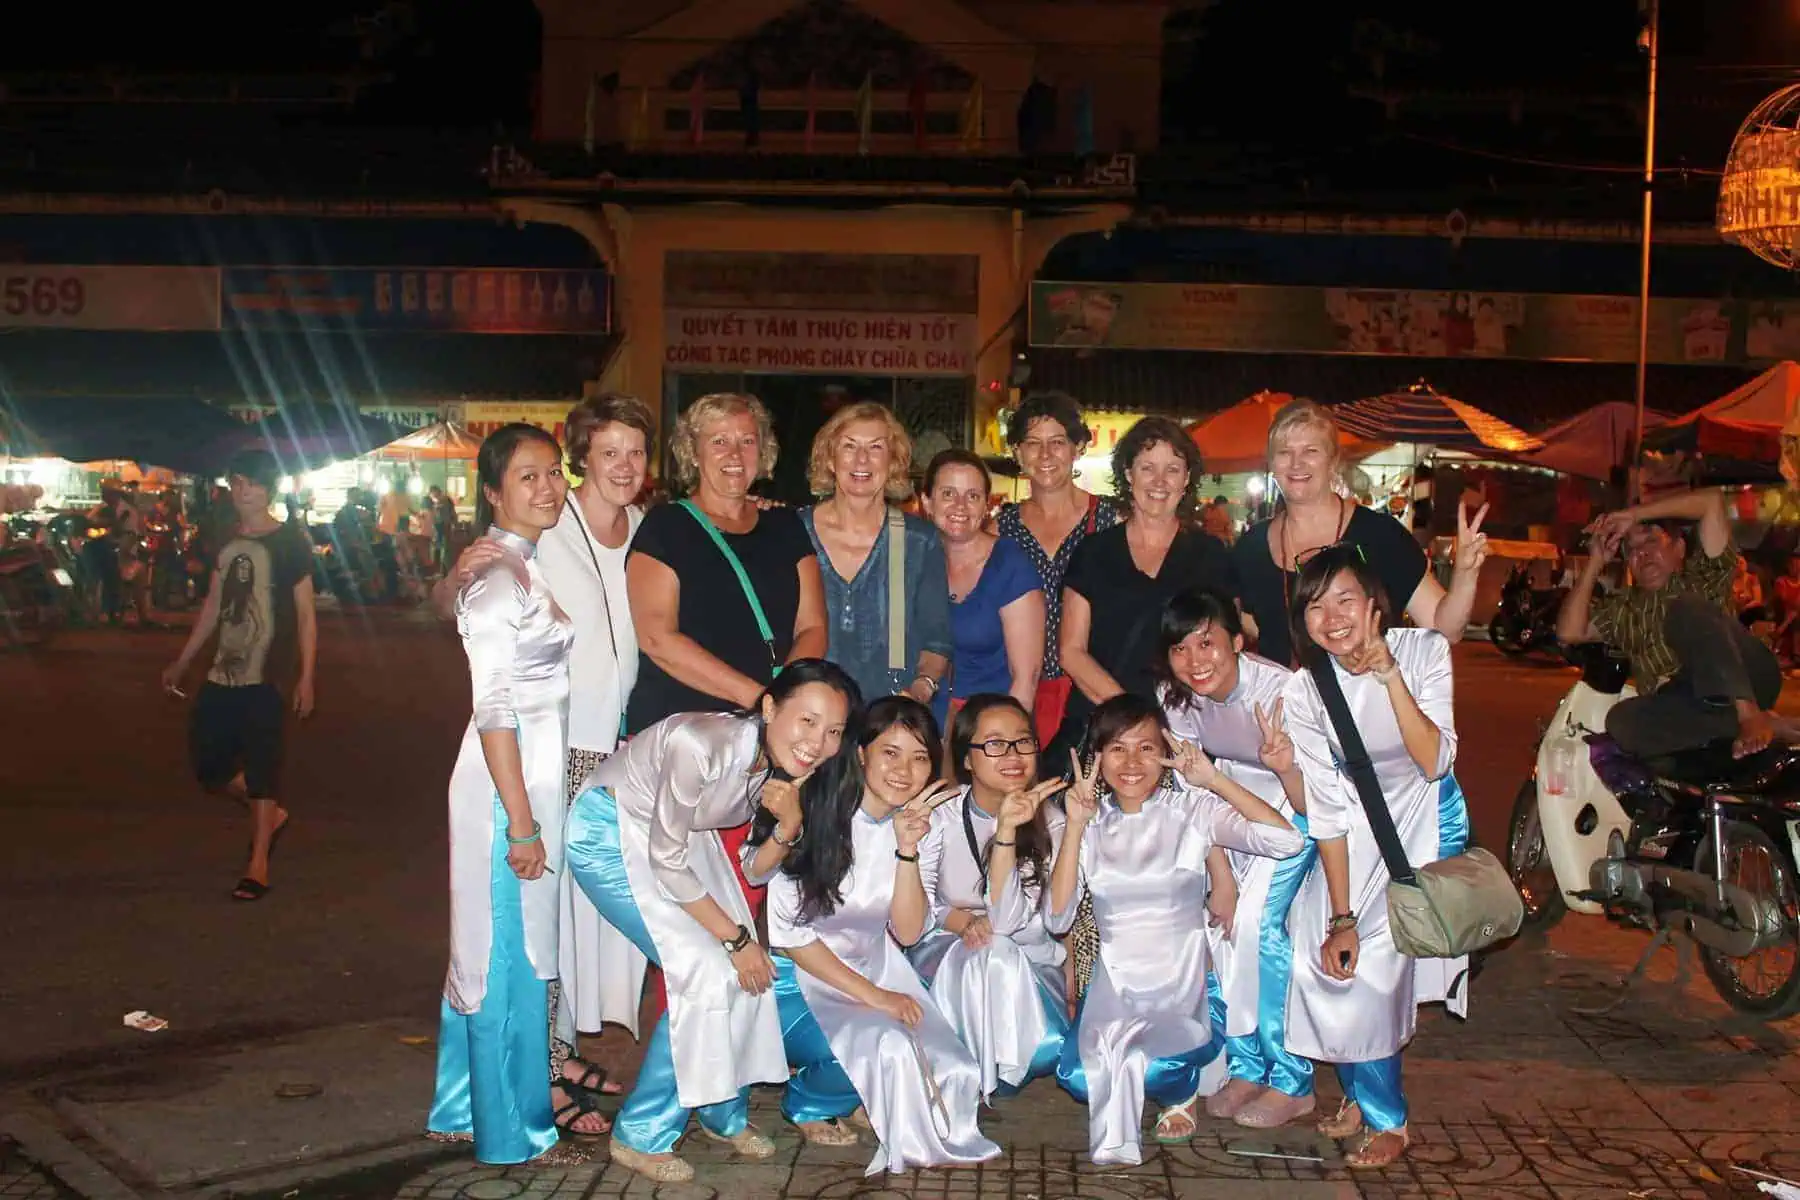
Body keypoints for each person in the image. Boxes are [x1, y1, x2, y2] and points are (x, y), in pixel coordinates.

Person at [561, 660, 858, 1183]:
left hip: (676, 841)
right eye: (807, 720)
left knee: (751, 975)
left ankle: (723, 1112)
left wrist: (788, 825)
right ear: (769, 706)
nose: (819, 741)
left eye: (833, 730)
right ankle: (641, 1133)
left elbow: (751, 867)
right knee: (704, 969)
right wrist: (736, 937)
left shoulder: (780, 770)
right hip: (609, 829)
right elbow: (666, 861)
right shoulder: (701, 744)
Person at [1046, 694, 1303, 1166]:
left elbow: (1286, 840)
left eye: (1146, 747)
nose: (1132, 762)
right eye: (1117, 748)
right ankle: (1156, 1082)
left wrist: (1213, 779)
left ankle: (1179, 1091)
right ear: (1096, 756)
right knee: (1079, 1077)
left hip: (1184, 988)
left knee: (1156, 1062)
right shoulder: (1082, 819)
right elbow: (1057, 918)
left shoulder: (1191, 810)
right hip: (1116, 989)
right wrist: (1077, 829)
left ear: (1164, 751)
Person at [1280, 545, 1470, 1169]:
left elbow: (1434, 761)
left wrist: (1389, 676)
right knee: (1318, 953)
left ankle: (1390, 1118)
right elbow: (1328, 808)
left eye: (1344, 599)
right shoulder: (1306, 689)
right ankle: (1362, 1092)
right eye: (1314, 605)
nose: (1331, 617)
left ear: (1373, 605)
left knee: (1373, 972)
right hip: (1353, 836)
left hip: (1419, 828)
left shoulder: (1423, 652)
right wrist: (1340, 915)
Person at [766, 696, 1004, 1175]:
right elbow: (790, 936)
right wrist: (877, 998)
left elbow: (910, 930)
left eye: (919, 758)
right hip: (797, 979)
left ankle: (858, 1091)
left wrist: (908, 850)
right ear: (861, 754)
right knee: (890, 1049)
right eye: (890, 753)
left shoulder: (918, 825)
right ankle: (806, 1100)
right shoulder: (816, 814)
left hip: (877, 966)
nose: (905, 770)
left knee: (953, 1070)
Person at [423, 424, 572, 1164]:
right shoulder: (497, 582)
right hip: (503, 791)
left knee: (509, 951)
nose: (548, 488)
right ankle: (510, 1132)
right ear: (492, 492)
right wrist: (520, 823)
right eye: (527, 477)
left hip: (528, 784)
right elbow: (494, 711)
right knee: (502, 958)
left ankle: (466, 1106)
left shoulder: (523, 565)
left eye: (554, 472)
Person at [627, 392, 828, 923]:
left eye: (747, 440)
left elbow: (812, 627)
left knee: (760, 895)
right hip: (685, 742)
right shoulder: (666, 528)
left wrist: (779, 707)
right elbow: (657, 638)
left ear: (765, 453)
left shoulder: (785, 527)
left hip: (765, 750)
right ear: (691, 451)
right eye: (719, 440)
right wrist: (762, 701)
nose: (734, 453)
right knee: (688, 912)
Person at [1153, 589, 1313, 1129]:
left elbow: (1314, 798)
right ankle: (1246, 1066)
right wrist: (1219, 873)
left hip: (1295, 816)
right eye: (1180, 648)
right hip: (1227, 810)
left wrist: (1280, 767)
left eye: (1208, 643)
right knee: (1218, 927)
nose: (1195, 661)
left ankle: (1292, 1079)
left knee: (1258, 929)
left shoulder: (1283, 691)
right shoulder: (1174, 697)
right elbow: (1192, 790)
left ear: (1237, 642)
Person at [161, 450, 317, 901]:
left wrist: (307, 676)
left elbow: (307, 615)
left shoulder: (289, 543)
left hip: (268, 672)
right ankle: (271, 815)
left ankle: (258, 864)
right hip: (222, 670)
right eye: (236, 481)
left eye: (249, 482)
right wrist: (183, 660)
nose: (241, 489)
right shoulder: (226, 540)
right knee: (208, 766)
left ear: (268, 488)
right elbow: (213, 605)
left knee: (263, 763)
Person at [1233, 399, 1488, 668]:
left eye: (1310, 451)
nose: (1297, 464)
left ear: (1332, 462)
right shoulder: (1251, 548)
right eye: (1284, 452)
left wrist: (1465, 576)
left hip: (1367, 705)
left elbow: (1444, 630)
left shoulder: (1381, 535)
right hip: (1284, 707)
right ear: (1271, 463)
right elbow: (1251, 628)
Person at [908, 694, 1072, 1100]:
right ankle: (967, 1072)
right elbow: (918, 905)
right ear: (967, 758)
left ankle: (976, 1071)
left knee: (996, 947)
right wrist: (959, 919)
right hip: (945, 957)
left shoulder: (1054, 821)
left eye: (1023, 741)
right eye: (995, 744)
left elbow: (1014, 922)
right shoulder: (941, 815)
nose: (1013, 755)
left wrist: (1006, 832)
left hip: (1028, 966)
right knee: (985, 951)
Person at [1556, 487, 1788, 761]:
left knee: (1685, 608)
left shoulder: (1703, 577)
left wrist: (1633, 515)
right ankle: (1749, 723)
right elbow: (1569, 632)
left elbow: (1712, 501)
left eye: (1651, 541)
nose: (1642, 553)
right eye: (1631, 549)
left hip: (1746, 677)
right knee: (1620, 721)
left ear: (1679, 548)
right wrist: (1595, 561)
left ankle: (1748, 713)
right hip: (1691, 705)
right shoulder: (1622, 609)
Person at [800, 401, 952, 705]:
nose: (861, 459)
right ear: (830, 459)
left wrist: (920, 690)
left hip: (888, 720)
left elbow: (937, 641)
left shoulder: (919, 541)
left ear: (893, 461)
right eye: (849, 446)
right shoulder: (793, 532)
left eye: (876, 448)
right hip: (809, 717)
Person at [994, 391, 1121, 747]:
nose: (1046, 455)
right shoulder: (1000, 529)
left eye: (1057, 442)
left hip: (1092, 687)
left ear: (1078, 447)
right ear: (1017, 452)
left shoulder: (1112, 522)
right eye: (1033, 443)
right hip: (1019, 688)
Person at [920, 450, 1044, 722]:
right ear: (927, 501)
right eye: (948, 494)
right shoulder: (914, 559)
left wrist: (1004, 743)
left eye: (973, 496)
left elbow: (1026, 679)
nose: (960, 506)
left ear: (987, 505)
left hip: (986, 726)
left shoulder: (1009, 564)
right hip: (923, 723)